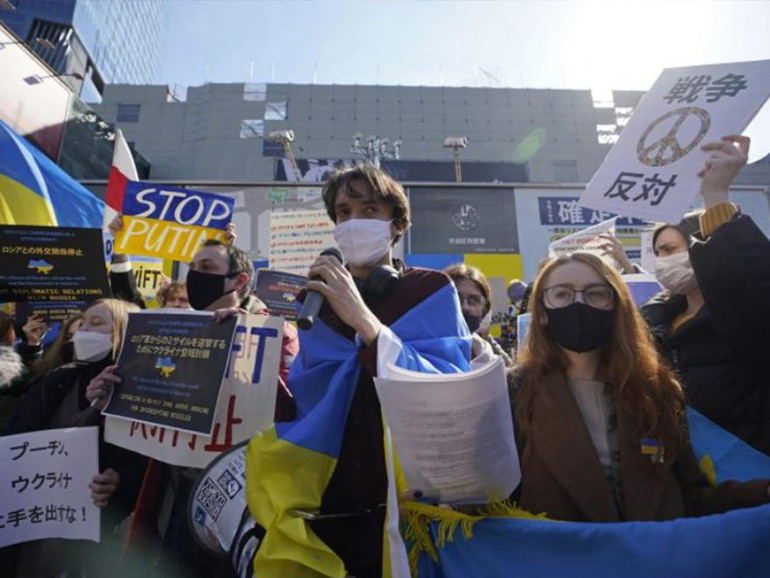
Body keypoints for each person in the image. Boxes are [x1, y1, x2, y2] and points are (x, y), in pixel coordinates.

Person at [246, 164, 471, 578]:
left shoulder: (430, 288)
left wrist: (367, 325)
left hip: (411, 494)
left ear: (397, 223)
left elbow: (447, 384)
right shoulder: (315, 302)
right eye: (344, 212)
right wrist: (240, 352)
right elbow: (307, 397)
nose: (353, 222)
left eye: (369, 210)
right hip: (331, 490)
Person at [509, 251, 770, 522]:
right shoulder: (513, 393)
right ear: (541, 312)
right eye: (562, 294)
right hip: (563, 561)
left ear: (616, 307)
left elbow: (687, 499)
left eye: (595, 293)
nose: (579, 303)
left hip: (652, 560)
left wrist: (762, 492)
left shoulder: (656, 391)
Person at [640, 135, 770, 456]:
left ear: (703, 247)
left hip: (750, 466)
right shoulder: (653, 321)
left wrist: (715, 195)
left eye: (670, 249)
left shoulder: (743, 314)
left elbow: (751, 282)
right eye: (657, 253)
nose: (663, 261)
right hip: (688, 471)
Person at [8, 298, 147, 577]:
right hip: (40, 517)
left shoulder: (143, 392)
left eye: (96, 324)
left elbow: (147, 464)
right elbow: (20, 433)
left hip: (95, 535)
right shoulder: (59, 378)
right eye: (82, 323)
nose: (83, 331)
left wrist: (119, 481)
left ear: (125, 332)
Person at [444, 263, 513, 366]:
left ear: (484, 310)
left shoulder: (493, 363)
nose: (465, 307)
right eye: (457, 299)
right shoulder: (418, 359)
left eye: (473, 300)